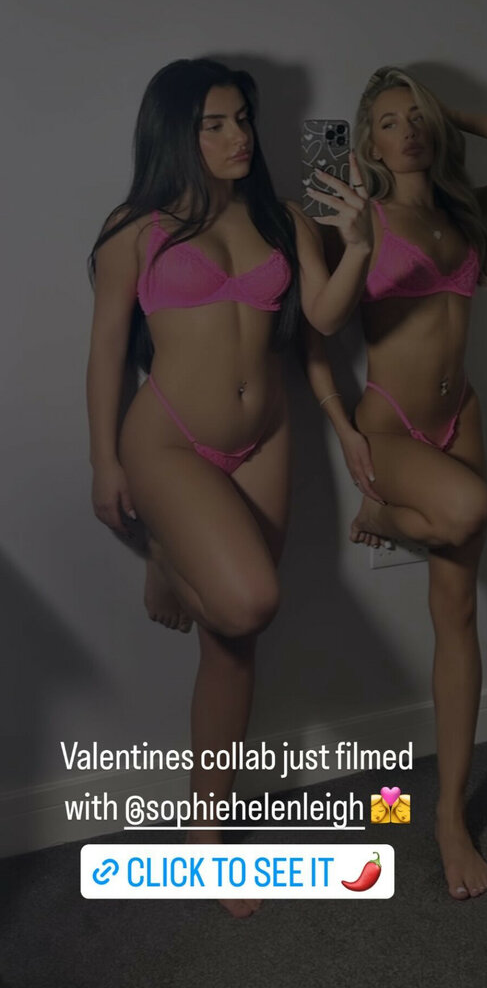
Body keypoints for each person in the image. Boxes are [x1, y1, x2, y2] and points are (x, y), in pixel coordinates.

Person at [86, 57, 372, 918]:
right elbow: (107, 354)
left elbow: (322, 319)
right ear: (174, 132)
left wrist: (357, 242)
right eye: (212, 124)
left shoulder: (283, 217)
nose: (237, 136)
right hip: (168, 436)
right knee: (249, 597)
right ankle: (169, 549)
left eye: (241, 118)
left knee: (234, 640)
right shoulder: (134, 230)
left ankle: (206, 829)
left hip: (267, 437)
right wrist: (105, 463)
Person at [305, 65, 487, 901]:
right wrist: (344, 430)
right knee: (468, 509)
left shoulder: (461, 211)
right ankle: (382, 510)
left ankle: (448, 816)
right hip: (391, 425)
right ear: (368, 140)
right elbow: (317, 328)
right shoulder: (361, 217)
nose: (406, 130)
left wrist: (448, 110)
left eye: (414, 116)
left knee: (456, 617)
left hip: (466, 418)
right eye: (387, 121)